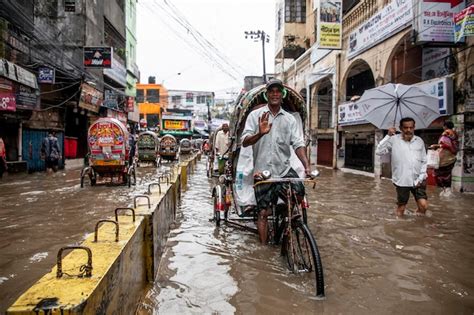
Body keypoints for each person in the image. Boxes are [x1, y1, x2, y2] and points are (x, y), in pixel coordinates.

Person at [242, 79, 311, 244]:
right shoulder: (255, 116)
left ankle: (288, 223)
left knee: (298, 193)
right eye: (271, 91)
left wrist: (306, 166)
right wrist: (260, 133)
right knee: (263, 213)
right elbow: (244, 141)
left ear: (282, 94)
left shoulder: (290, 120)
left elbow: (298, 144)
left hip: (284, 169)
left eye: (278, 91)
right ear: (267, 95)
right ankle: (264, 248)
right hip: (263, 171)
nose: (275, 94)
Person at [376, 117, 428, 217]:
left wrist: (421, 178)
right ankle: (399, 225)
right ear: (400, 128)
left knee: (423, 206)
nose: (408, 130)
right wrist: (388, 136)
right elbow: (379, 151)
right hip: (402, 180)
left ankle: (417, 222)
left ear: (414, 127)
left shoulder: (419, 141)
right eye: (405, 127)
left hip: (418, 179)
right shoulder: (393, 140)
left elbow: (424, 160)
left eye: (411, 127)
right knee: (401, 207)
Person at [430, 121, 459, 195]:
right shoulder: (454, 134)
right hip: (451, 158)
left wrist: (436, 146)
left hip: (445, 159)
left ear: (445, 126)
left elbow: (444, 145)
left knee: (438, 174)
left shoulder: (446, 133)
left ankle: (446, 190)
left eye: (443, 126)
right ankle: (447, 190)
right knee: (447, 174)